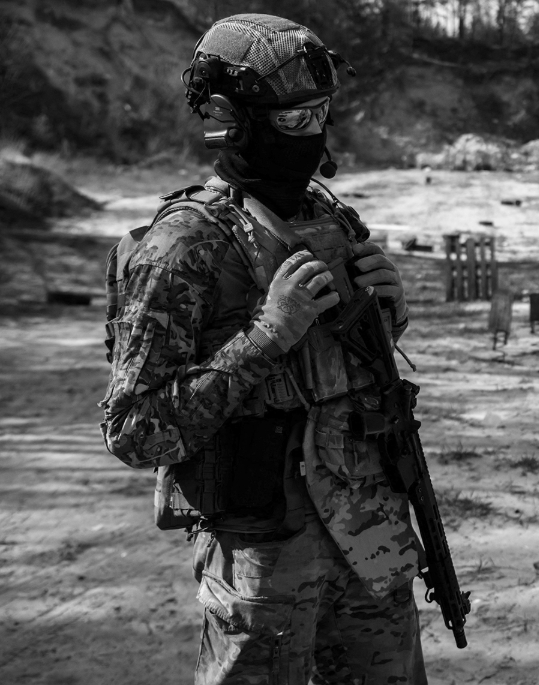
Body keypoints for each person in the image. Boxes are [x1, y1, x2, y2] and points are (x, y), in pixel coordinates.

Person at [100, 14, 428, 684]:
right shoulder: (183, 248)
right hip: (264, 559)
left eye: (320, 115)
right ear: (229, 119)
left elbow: (344, 375)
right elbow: (132, 429)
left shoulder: (330, 219)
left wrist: (388, 315)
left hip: (369, 542)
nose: (311, 135)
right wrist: (265, 336)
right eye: (292, 120)